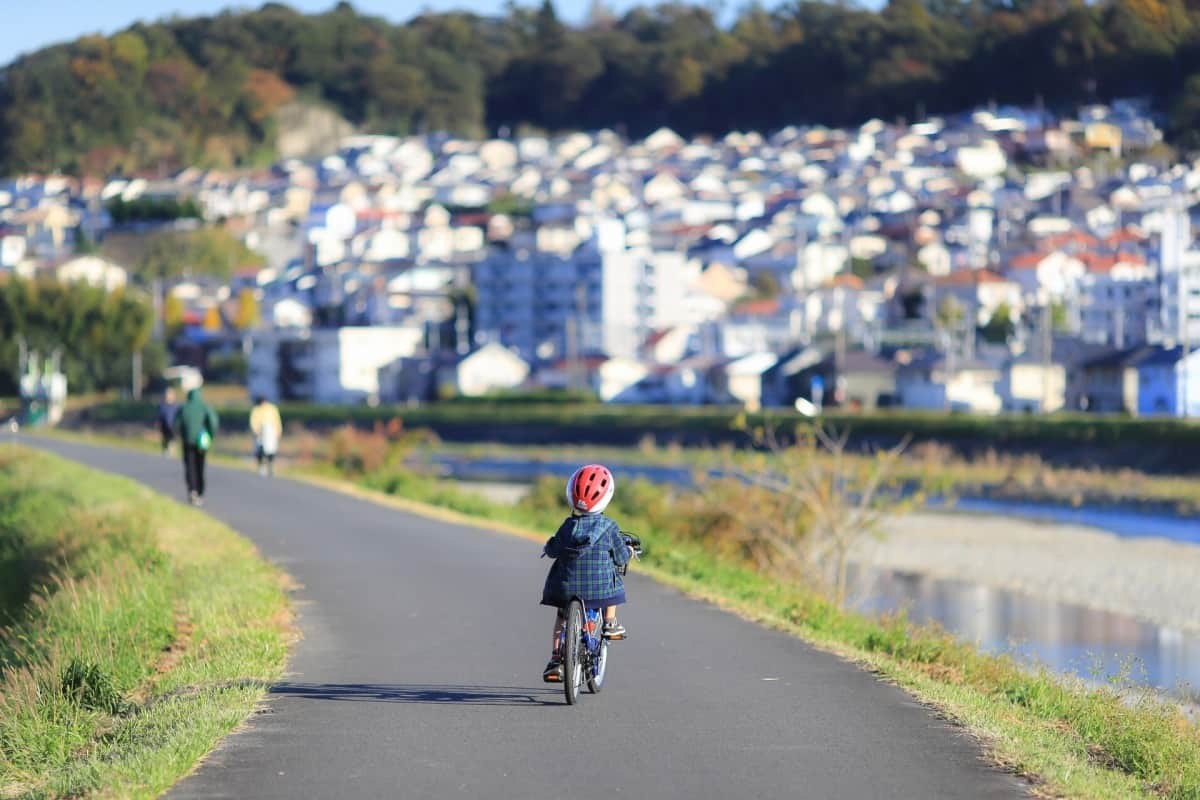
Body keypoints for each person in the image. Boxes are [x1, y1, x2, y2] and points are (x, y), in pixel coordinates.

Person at [539, 464, 632, 683]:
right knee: (614, 580)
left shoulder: (568, 525)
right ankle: (610, 623)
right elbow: (620, 558)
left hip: (565, 588)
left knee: (562, 619)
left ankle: (555, 659)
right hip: (599, 591)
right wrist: (627, 552)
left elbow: (552, 551)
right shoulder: (609, 526)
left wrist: (548, 547)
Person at [173, 387, 219, 506]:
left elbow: (176, 424)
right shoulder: (205, 407)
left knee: (190, 467)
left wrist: (180, 435)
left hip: (187, 442)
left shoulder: (184, 408)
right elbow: (213, 423)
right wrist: (209, 435)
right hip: (201, 442)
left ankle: (192, 490)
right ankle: (200, 491)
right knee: (200, 467)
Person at [249, 395, 282, 477]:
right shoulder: (256, 409)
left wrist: (278, 431)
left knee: (271, 450)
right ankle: (261, 466)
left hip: (271, 432)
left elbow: (276, 420)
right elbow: (253, 421)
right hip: (260, 431)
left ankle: (270, 466)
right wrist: (256, 431)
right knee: (260, 449)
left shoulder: (272, 409)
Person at [156, 388, 178, 456]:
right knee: (165, 440)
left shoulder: (176, 406)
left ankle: (171, 453)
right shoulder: (162, 405)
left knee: (172, 441)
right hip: (164, 427)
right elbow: (159, 416)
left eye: (170, 394)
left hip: (173, 427)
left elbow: (179, 416)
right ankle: (165, 452)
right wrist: (158, 423)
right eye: (167, 394)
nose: (168, 396)